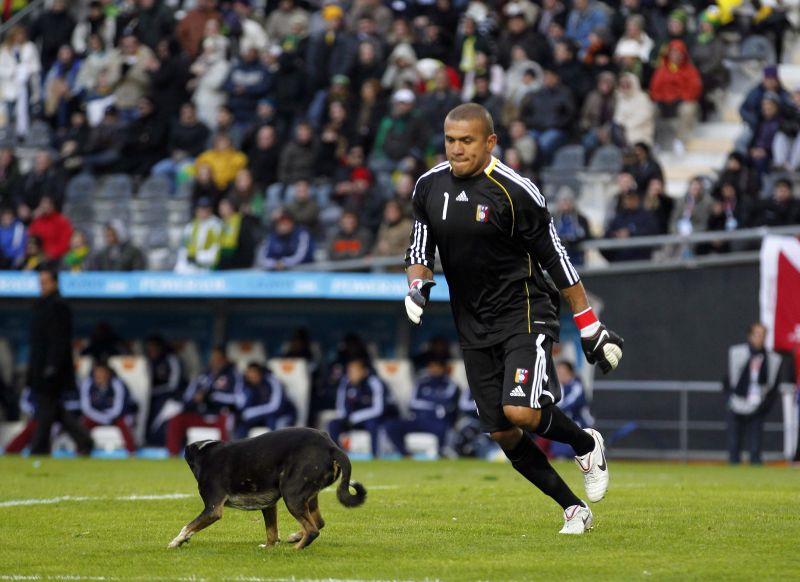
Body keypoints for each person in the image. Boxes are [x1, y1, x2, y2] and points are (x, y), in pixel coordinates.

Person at [404, 103, 623, 534]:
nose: (456, 149)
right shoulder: (429, 187)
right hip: (472, 323)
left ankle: (584, 443)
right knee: (503, 432)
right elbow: (419, 250)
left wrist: (588, 324)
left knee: (520, 411)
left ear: (490, 142)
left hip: (524, 312)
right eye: (450, 140)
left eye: (467, 141)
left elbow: (556, 259)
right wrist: (416, 285)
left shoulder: (515, 190)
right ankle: (573, 509)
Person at [27, 268, 93, 455]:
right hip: (40, 367)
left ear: (55, 282)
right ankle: (85, 440)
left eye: (46, 281)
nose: (42, 286)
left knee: (46, 410)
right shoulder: (41, 305)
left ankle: (38, 449)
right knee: (55, 410)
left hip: (51, 369)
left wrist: (52, 366)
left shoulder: (58, 305)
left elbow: (59, 340)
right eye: (41, 282)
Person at [723, 323, 786, 465]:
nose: (760, 338)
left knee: (755, 444)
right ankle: (733, 469)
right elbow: (727, 380)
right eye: (757, 334)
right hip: (737, 402)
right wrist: (728, 400)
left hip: (758, 404)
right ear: (750, 336)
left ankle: (755, 467)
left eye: (763, 335)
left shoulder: (772, 359)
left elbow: (773, 386)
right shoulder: (737, 353)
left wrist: (764, 406)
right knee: (734, 442)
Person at [165, 346, 243, 456]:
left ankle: (224, 457)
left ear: (224, 359)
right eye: (213, 358)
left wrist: (211, 397)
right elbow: (188, 396)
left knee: (227, 420)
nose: (215, 361)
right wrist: (195, 399)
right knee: (176, 419)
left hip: (219, 415)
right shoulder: (204, 374)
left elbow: (237, 399)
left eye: (218, 358)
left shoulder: (233, 375)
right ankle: (172, 454)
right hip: (200, 414)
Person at [384, 353, 460, 457]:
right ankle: (405, 455)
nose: (434, 369)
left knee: (444, 429)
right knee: (391, 425)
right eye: (431, 366)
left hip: (436, 422)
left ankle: (441, 455)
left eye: (437, 366)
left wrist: (427, 403)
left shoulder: (450, 384)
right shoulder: (422, 382)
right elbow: (413, 403)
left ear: (443, 368)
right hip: (417, 420)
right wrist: (433, 404)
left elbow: (444, 405)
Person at [328, 355, 398, 458]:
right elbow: (340, 404)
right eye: (349, 371)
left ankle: (376, 456)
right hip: (351, 419)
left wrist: (356, 417)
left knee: (373, 424)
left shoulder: (374, 382)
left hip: (370, 418)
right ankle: (338, 457)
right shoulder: (346, 383)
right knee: (333, 424)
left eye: (355, 371)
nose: (351, 374)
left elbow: (378, 409)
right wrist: (346, 416)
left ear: (364, 371)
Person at [78, 362, 137, 453]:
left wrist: (107, 417)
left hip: (114, 416)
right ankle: (81, 451)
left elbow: (119, 408)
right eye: (97, 372)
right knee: (83, 424)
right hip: (95, 415)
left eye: (102, 372)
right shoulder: (88, 384)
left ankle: (131, 452)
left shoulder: (117, 384)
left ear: (108, 373)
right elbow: (85, 407)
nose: (99, 375)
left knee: (124, 423)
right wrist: (100, 417)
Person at [235, 362, 297, 439]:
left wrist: (251, 412)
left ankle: (275, 449)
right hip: (261, 416)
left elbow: (276, 406)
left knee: (274, 423)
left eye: (254, 372)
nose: (252, 376)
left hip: (283, 413)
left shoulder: (272, 381)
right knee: (241, 424)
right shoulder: (247, 385)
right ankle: (242, 448)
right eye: (249, 374)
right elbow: (241, 405)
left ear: (260, 372)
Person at [144, 335, 185, 446]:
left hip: (171, 397)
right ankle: (148, 441)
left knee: (159, 423)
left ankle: (157, 443)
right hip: (151, 398)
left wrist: (152, 391)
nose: (151, 351)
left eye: (154, 347)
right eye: (149, 348)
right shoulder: (148, 361)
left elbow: (174, 384)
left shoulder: (171, 359)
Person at [549, 361, 594, 458]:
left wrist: (553, 410)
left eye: (562, 373)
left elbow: (568, 404)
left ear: (570, 374)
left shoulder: (576, 386)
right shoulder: (557, 387)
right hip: (563, 423)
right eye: (558, 373)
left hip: (581, 423)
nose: (559, 376)